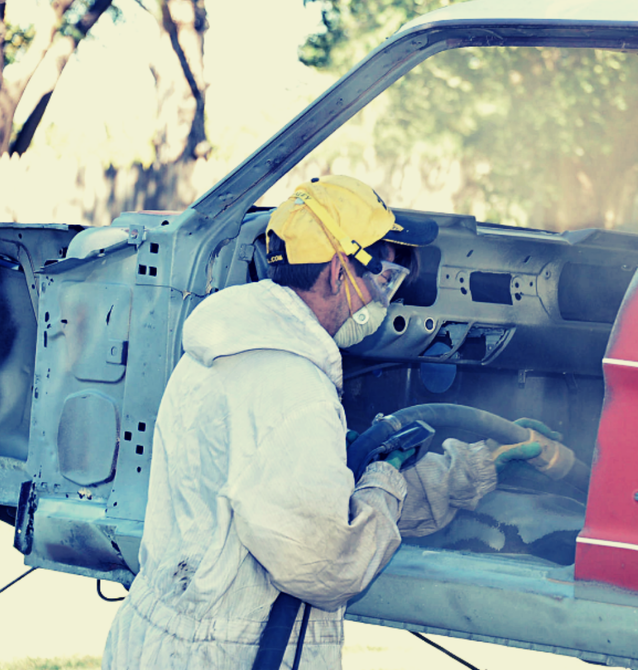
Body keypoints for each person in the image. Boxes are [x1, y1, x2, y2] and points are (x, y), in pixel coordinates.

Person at [103, 175, 526, 669]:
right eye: (384, 276)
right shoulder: (292, 389)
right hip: (224, 657)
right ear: (337, 271)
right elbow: (328, 564)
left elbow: (306, 498)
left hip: (164, 639)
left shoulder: (225, 349)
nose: (385, 296)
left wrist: (463, 475)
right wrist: (385, 482)